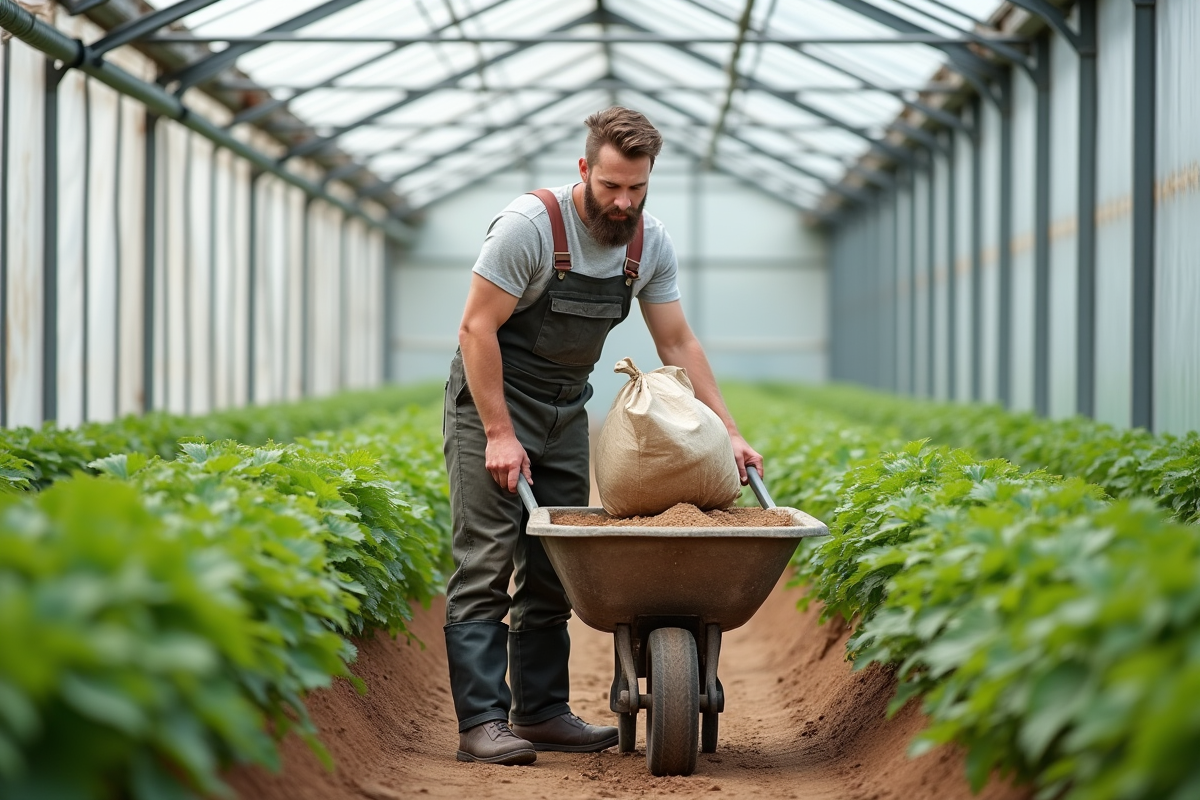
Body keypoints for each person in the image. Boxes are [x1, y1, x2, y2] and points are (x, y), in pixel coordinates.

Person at [442, 106, 764, 765]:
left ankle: (540, 712)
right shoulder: (530, 228)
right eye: (611, 186)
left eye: (637, 189)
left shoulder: (648, 244)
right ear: (584, 168)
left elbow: (676, 340)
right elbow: (476, 330)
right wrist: (501, 434)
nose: (622, 202)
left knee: (554, 564)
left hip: (567, 408)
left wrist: (727, 432)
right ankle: (481, 722)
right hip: (492, 403)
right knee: (486, 560)